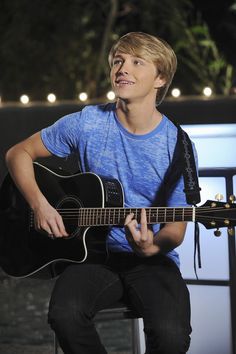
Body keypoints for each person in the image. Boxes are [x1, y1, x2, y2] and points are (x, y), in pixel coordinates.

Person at [5, 32, 194, 354]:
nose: (123, 69)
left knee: (171, 336)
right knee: (65, 316)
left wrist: (152, 247)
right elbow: (17, 153)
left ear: (160, 78)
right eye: (118, 61)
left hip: (150, 261)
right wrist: (40, 205)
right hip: (90, 257)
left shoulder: (177, 145)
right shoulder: (87, 123)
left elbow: (176, 228)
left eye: (137, 62)